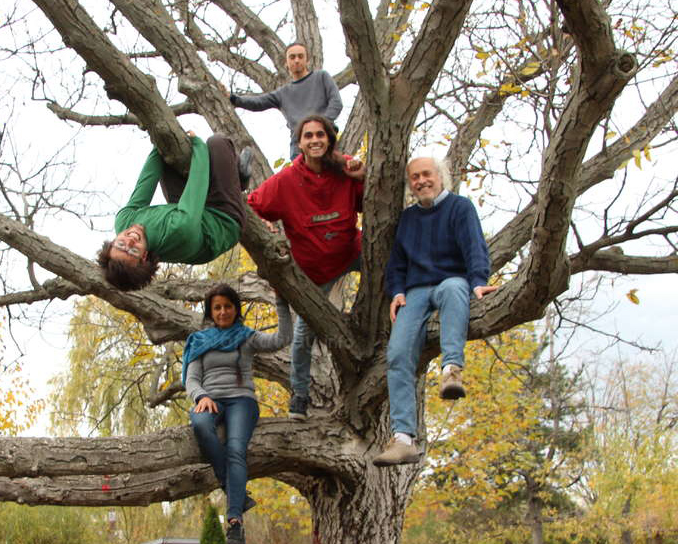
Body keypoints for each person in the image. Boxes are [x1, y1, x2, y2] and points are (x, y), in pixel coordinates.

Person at [373, 157, 498, 467]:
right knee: (398, 352)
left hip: (449, 282)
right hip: (415, 291)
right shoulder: (408, 219)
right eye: (414, 177)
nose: (420, 181)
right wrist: (397, 291)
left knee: (456, 289)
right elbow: (397, 263)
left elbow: (474, 247)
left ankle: (451, 370)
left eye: (426, 174)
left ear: (441, 176)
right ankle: (403, 438)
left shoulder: (460, 207)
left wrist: (479, 282)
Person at [247, 115, 365, 420]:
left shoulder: (346, 167)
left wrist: (364, 175)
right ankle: (300, 397)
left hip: (351, 251)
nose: (315, 140)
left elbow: (376, 197)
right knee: (302, 337)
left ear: (329, 139)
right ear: (299, 143)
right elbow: (250, 206)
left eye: (320, 135)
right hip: (314, 273)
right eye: (308, 135)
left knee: (390, 262)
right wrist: (263, 226)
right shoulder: (286, 181)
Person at [184, 284, 292, 544]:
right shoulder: (200, 341)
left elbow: (281, 339)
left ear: (236, 309)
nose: (223, 312)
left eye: (227, 307)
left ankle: (235, 520)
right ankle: (238, 494)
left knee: (235, 449)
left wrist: (281, 303)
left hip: (241, 401)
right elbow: (192, 379)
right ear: (211, 311)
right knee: (200, 426)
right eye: (217, 307)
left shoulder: (246, 337)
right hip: (210, 401)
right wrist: (201, 396)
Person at [97, 133, 252, 290]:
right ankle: (239, 178)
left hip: (184, 210)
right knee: (217, 143)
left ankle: (227, 174)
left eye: (121, 244)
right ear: (144, 256)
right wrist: (197, 143)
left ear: (112, 244)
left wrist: (161, 141)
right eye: (132, 250)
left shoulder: (123, 222)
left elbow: (146, 180)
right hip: (222, 217)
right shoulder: (178, 231)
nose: (129, 241)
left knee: (168, 158)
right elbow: (197, 184)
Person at [229, 42, 343, 159]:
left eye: (300, 56)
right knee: (300, 177)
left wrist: (321, 125)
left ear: (307, 60)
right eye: (292, 57)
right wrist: (234, 99)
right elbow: (258, 102)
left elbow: (336, 103)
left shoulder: (321, 77)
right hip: (298, 146)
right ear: (286, 63)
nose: (297, 60)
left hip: (324, 139)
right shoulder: (283, 93)